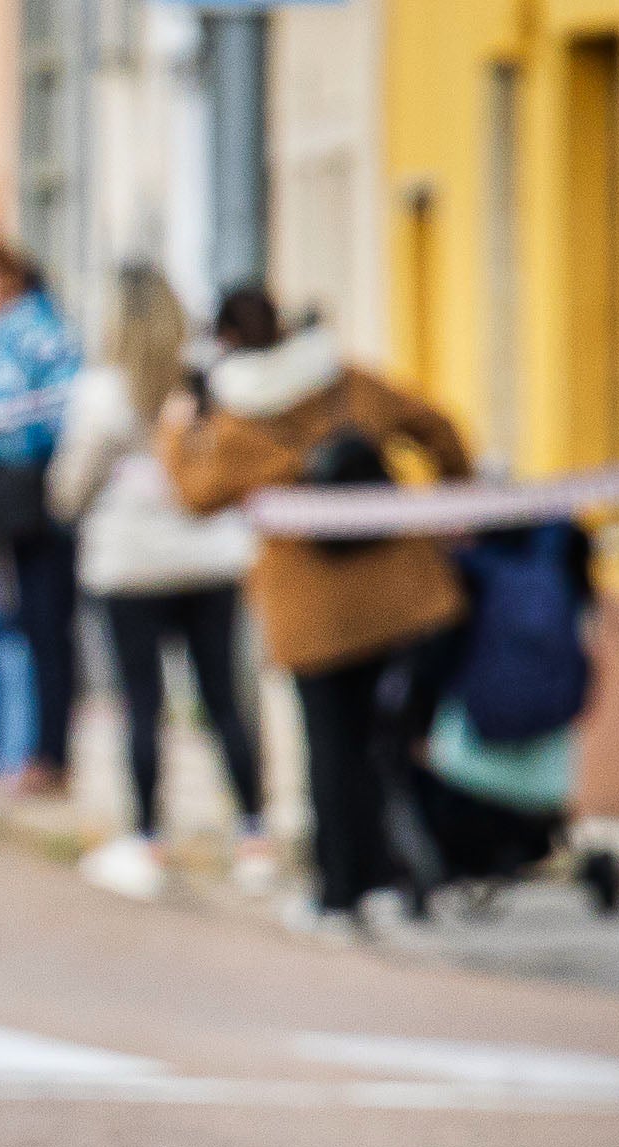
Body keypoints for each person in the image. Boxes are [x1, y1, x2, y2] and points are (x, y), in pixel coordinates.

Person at [161, 287, 472, 938]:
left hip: (313, 615)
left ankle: (340, 894)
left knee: (330, 751)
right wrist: (455, 506)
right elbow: (437, 428)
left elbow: (193, 495)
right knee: (394, 740)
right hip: (402, 594)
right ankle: (404, 879)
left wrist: (175, 428)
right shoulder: (345, 382)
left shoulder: (234, 420)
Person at [46, 264, 268, 900]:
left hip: (130, 566)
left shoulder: (100, 395)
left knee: (141, 703)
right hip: (209, 558)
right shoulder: (208, 384)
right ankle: (253, 835)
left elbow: (68, 490)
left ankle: (147, 839)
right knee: (224, 697)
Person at [0, 227, 82, 797]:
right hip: (2, 499)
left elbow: (55, 413)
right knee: (16, 625)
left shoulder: (38, 331)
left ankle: (50, 754)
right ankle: (24, 750)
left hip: (39, 497)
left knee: (44, 626)